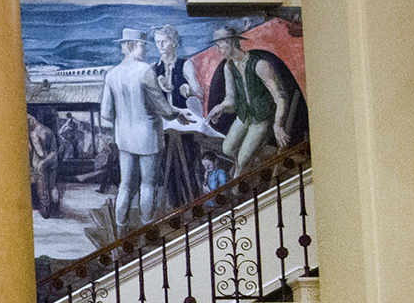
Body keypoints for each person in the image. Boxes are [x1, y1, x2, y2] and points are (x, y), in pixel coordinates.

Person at [99, 26, 186, 229]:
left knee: (126, 186)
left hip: (125, 139)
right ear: (131, 46)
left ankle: (121, 231)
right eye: (142, 46)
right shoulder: (146, 71)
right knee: (148, 185)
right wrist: (177, 113)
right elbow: (163, 108)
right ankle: (147, 231)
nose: (146, 51)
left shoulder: (112, 74)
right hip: (148, 138)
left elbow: (105, 113)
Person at [206, 25, 293, 176]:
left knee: (242, 159)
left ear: (231, 43)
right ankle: (252, 163)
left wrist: (278, 124)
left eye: (219, 44)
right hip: (244, 116)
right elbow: (231, 100)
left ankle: (236, 188)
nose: (217, 49)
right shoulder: (229, 67)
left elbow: (280, 97)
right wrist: (221, 107)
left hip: (261, 118)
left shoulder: (260, 65)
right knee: (227, 148)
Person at [152, 22, 207, 211]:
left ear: (173, 42)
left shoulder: (185, 65)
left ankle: (195, 206)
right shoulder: (154, 69)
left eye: (164, 41)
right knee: (167, 168)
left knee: (189, 164)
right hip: (164, 123)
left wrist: (188, 88)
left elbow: (199, 93)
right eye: (157, 41)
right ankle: (176, 208)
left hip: (184, 122)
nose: (160, 45)